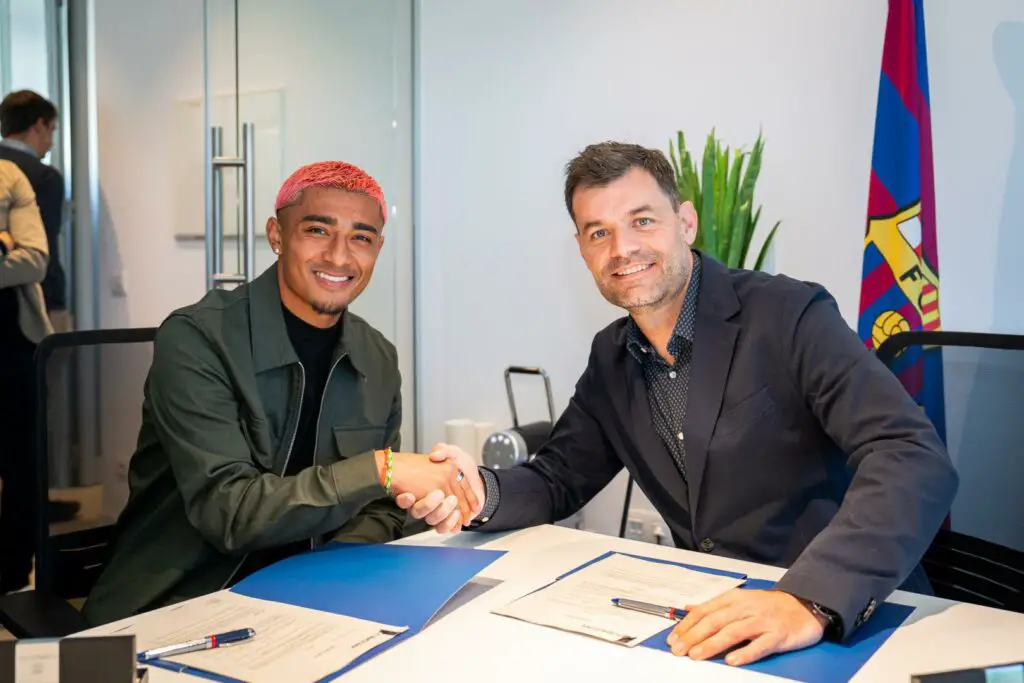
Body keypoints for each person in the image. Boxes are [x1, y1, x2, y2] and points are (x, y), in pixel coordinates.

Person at [401, 142, 958, 666]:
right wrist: (481, 492)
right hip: (714, 621)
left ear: (685, 222)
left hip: (840, 618)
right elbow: (558, 479)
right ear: (582, 250)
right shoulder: (612, 357)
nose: (622, 249)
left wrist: (809, 599)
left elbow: (910, 454)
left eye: (642, 221)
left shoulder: (788, 314)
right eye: (599, 232)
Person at [83, 161, 479, 625]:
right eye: (318, 230)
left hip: (309, 602)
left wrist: (326, 580)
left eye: (361, 237)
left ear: (377, 249)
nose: (339, 257)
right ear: (277, 235)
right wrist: (381, 468)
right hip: (181, 604)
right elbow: (229, 513)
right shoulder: (197, 339)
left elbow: (378, 508)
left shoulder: (376, 357)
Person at [0, 159, 53, 593]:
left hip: (14, 344)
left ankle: (13, 575)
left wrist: (11, 247)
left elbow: (34, 260)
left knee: (23, 464)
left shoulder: (9, 176)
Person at [0, 90, 67, 327]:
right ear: (39, 125)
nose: (51, 142)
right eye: (52, 130)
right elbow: (43, 252)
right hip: (31, 307)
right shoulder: (43, 177)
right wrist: (56, 304)